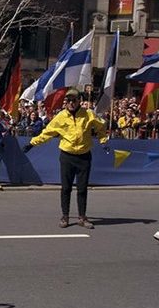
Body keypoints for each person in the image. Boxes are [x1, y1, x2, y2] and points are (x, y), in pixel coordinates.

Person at [22, 88, 109, 229]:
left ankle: (82, 217)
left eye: (74, 100)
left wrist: (103, 141)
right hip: (67, 156)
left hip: (84, 156)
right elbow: (47, 133)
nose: (71, 103)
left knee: (82, 189)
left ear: (79, 101)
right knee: (66, 188)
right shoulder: (61, 116)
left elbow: (101, 127)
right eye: (68, 100)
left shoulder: (88, 114)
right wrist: (32, 143)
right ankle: (65, 216)